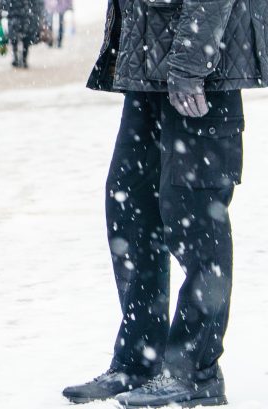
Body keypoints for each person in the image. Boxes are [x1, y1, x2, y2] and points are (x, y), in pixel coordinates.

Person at [62, 0, 267, 407]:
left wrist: (191, 64)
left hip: (206, 71)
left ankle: (196, 371)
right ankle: (140, 361)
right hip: (151, 71)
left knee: (195, 223)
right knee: (130, 213)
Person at [0, 0, 43, 68]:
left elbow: (4, 3)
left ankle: (18, 59)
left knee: (17, 40)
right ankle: (22, 59)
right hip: (24, 16)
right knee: (23, 40)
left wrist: (1, 13)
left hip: (16, 16)